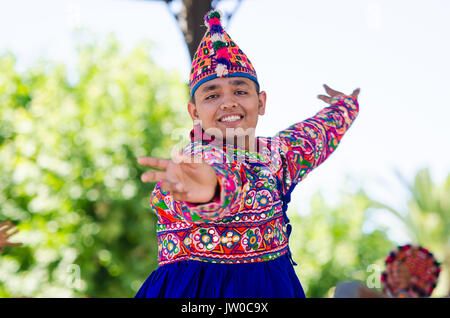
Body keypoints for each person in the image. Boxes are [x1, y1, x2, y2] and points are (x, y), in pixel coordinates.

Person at [135, 9, 360, 298]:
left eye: (240, 92)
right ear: (194, 112)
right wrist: (210, 191)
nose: (228, 102)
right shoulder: (192, 163)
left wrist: (345, 107)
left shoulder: (280, 155)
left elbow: (318, 133)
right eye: (212, 95)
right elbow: (220, 179)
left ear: (261, 101)